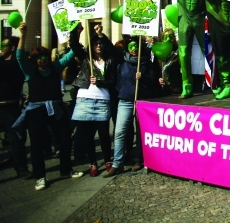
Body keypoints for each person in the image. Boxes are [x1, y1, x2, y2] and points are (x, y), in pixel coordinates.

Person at [15, 23, 83, 190]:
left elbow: (72, 53)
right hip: (36, 112)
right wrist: (23, 35)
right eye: (39, 58)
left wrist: (77, 34)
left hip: (56, 110)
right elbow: (19, 56)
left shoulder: (55, 68)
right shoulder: (30, 71)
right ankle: (40, 177)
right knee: (37, 145)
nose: (42, 60)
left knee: (65, 140)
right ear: (35, 60)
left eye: (44, 56)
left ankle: (66, 170)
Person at [104, 37, 158, 177]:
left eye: (136, 46)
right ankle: (117, 163)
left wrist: (143, 77)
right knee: (119, 132)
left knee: (141, 132)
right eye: (131, 46)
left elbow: (153, 81)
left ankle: (138, 159)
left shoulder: (146, 61)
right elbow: (111, 49)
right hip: (125, 99)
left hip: (142, 100)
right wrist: (101, 36)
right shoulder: (122, 60)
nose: (134, 49)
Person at [69, 23, 116, 177]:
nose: (98, 46)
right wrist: (76, 29)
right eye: (96, 43)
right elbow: (74, 45)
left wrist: (100, 82)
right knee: (87, 136)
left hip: (102, 101)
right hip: (85, 100)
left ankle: (107, 160)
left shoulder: (109, 61)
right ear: (92, 46)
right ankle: (93, 163)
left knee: (104, 135)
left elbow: (112, 82)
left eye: (100, 43)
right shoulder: (86, 59)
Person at [0, 36, 29, 178]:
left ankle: (21, 168)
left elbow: (15, 60)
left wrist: (23, 36)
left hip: (11, 107)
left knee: (16, 139)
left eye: (3, 45)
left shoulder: (16, 63)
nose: (1, 48)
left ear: (12, 48)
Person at [157, 29, 181, 95]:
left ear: (174, 38)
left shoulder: (179, 52)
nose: (168, 39)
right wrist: (158, 79)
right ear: (162, 39)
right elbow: (154, 71)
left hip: (176, 90)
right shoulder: (158, 53)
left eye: (171, 37)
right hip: (162, 91)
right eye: (165, 37)